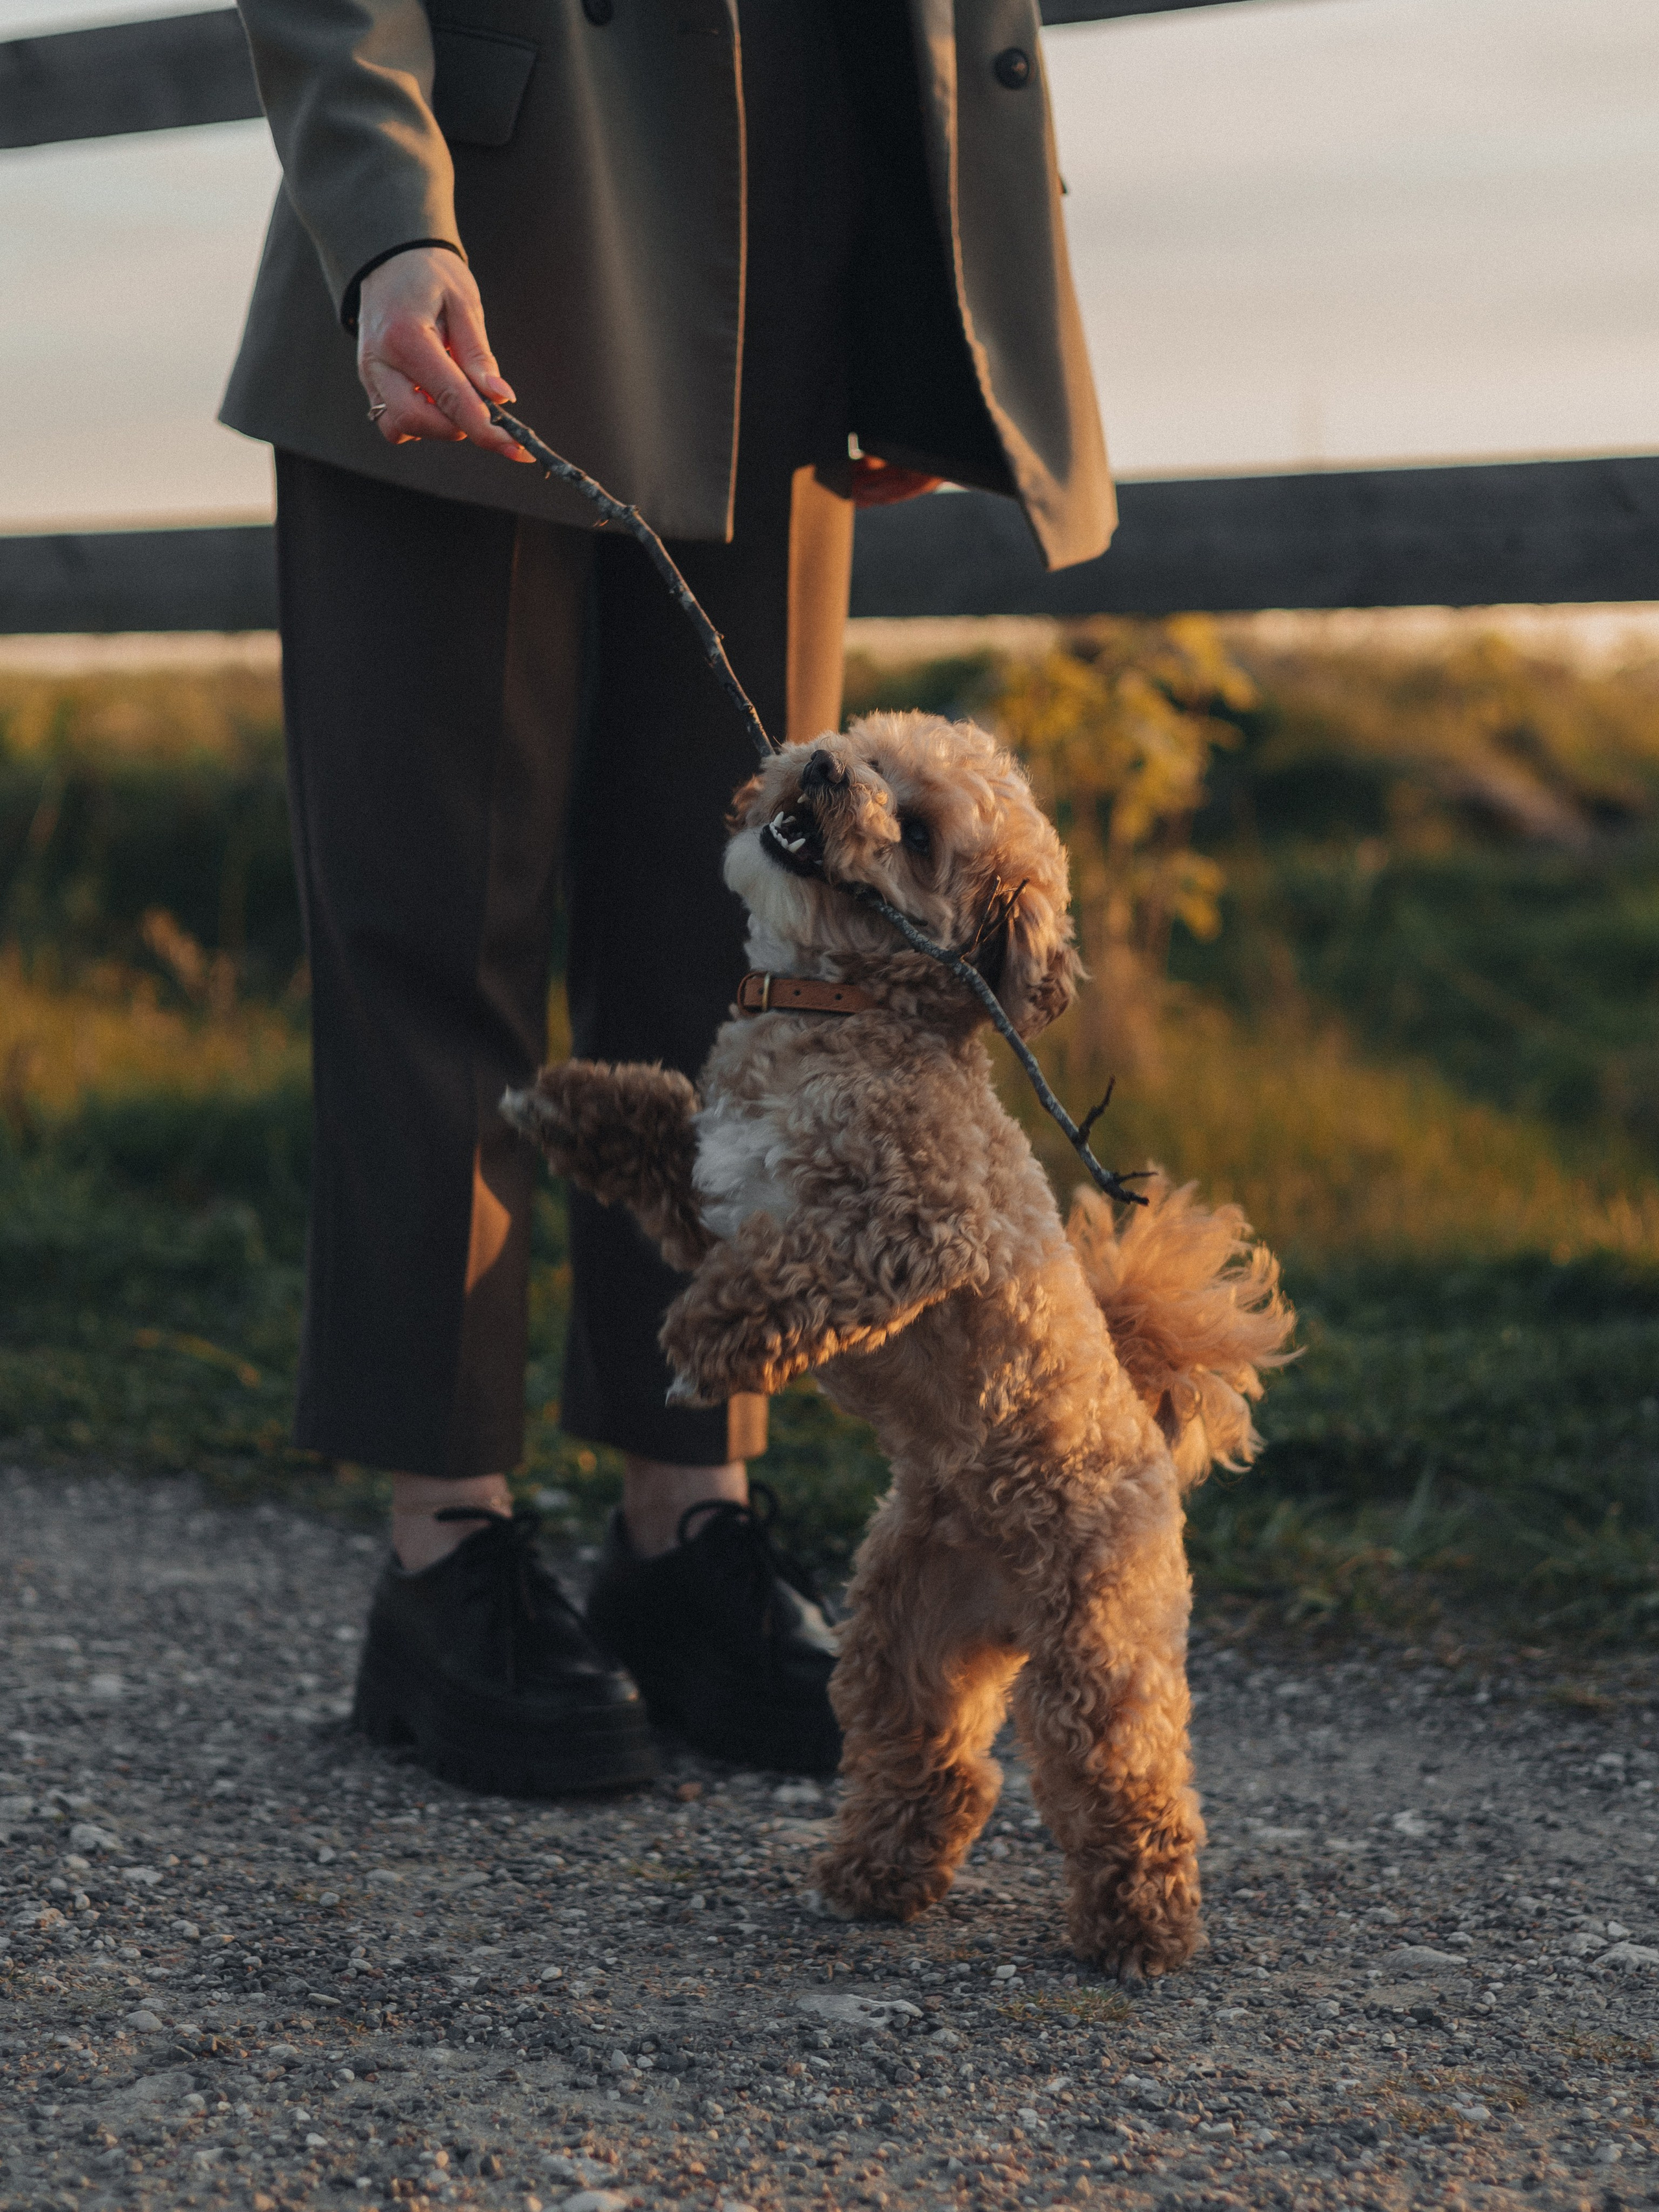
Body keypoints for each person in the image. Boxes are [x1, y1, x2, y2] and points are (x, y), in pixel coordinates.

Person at [221, 0, 1114, 1794]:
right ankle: (444, 1540)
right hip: (486, 204)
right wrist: (388, 214)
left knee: (743, 941)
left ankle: (683, 1521)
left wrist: (926, 278)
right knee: (434, 920)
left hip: (796, 219)